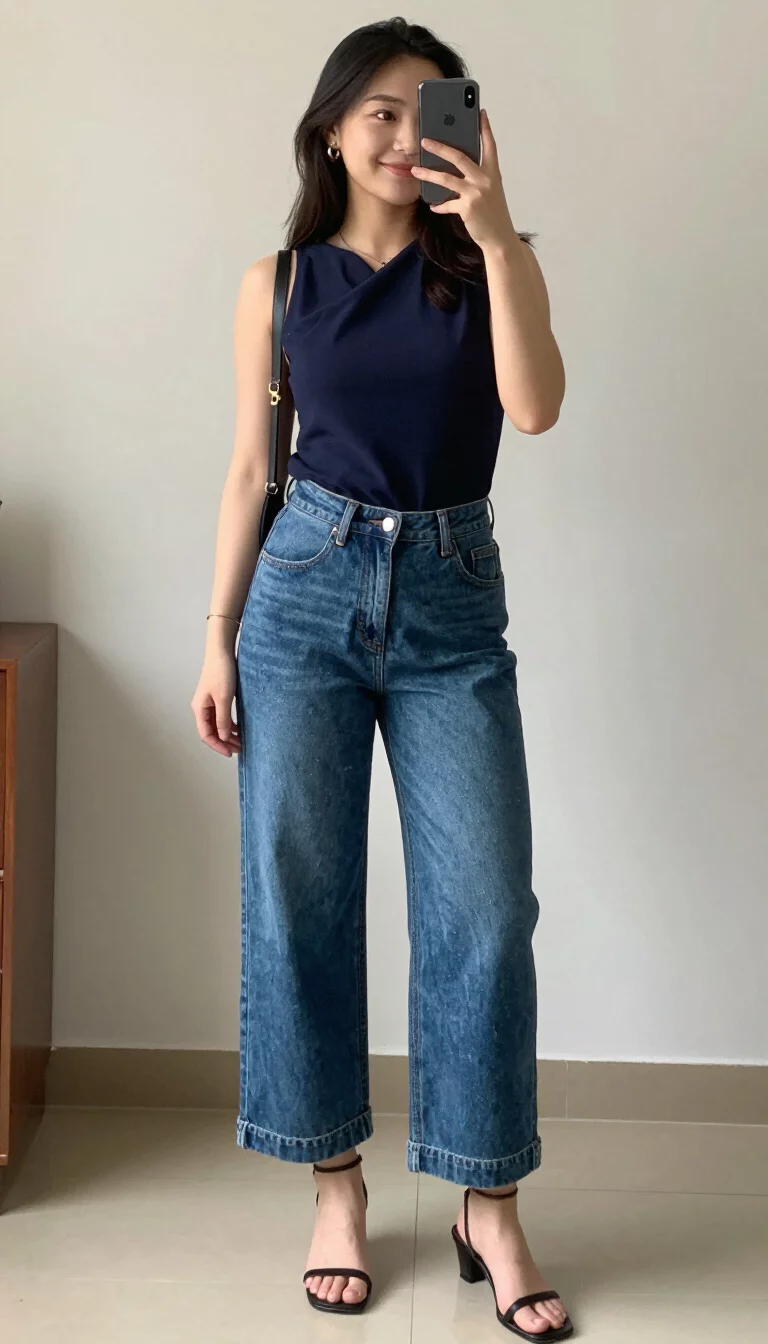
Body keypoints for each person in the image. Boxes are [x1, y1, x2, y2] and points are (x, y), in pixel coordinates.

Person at [191, 17, 571, 1342]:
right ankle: (335, 1187)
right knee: (298, 901)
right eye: (383, 114)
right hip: (301, 590)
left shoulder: (489, 265)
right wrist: (218, 633)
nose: (408, 139)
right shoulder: (279, 283)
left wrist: (502, 232)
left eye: (432, 113)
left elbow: (536, 409)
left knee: (485, 912)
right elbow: (253, 468)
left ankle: (488, 1204)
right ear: (333, 127)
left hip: (451, 598)